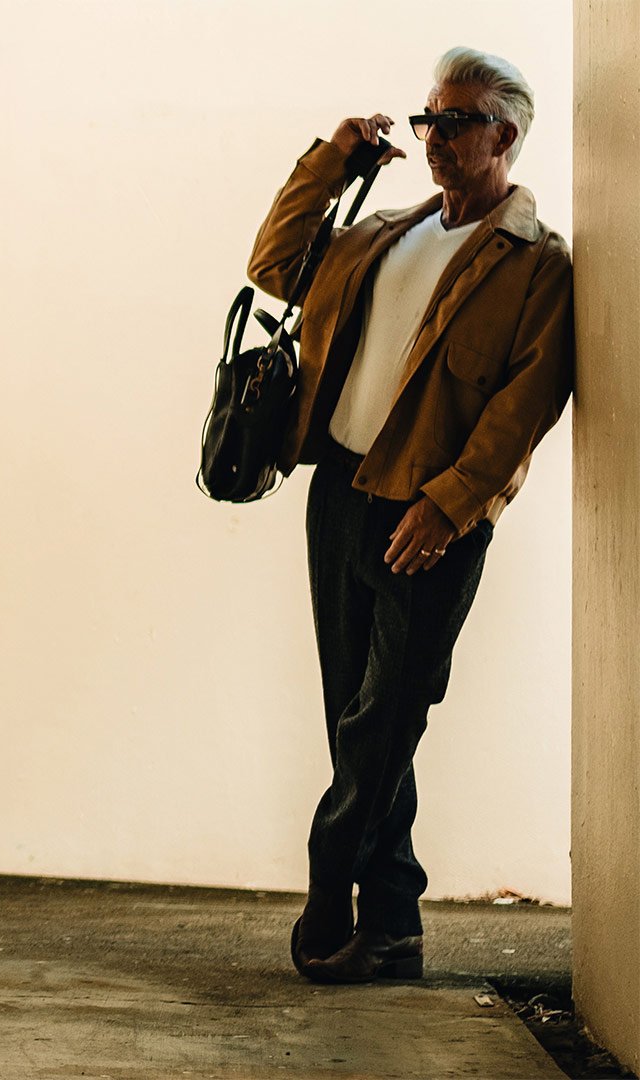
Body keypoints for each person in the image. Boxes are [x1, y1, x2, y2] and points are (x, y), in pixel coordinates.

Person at [247, 47, 573, 984]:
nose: (432, 138)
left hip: (427, 515)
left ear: (504, 136)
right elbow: (274, 266)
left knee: (386, 716)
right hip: (338, 495)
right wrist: (333, 161)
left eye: (456, 122)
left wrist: (453, 505)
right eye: (427, 119)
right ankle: (392, 928)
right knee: (352, 708)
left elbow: (525, 405)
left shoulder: (535, 266)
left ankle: (329, 884)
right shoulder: (386, 231)